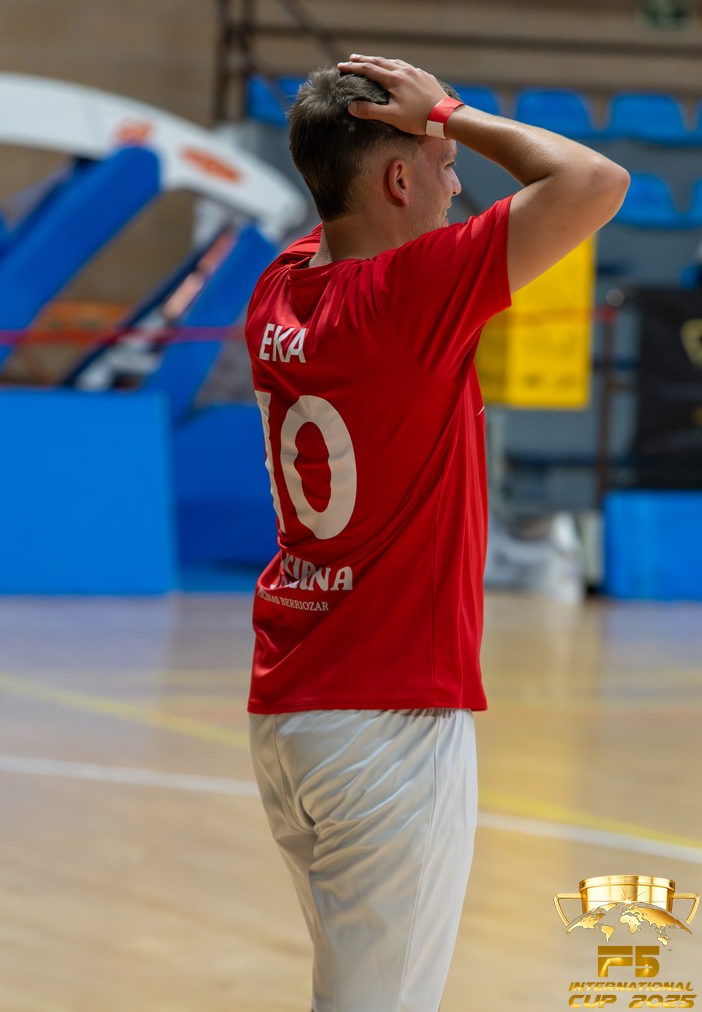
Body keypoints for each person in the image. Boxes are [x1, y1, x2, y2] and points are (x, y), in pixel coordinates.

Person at [245, 54, 629, 1012]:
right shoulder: (408, 294)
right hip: (389, 718)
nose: (458, 185)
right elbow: (593, 181)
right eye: (445, 165)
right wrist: (451, 111)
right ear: (397, 180)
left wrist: (400, 127)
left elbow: (335, 193)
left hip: (293, 707)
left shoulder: (278, 290)